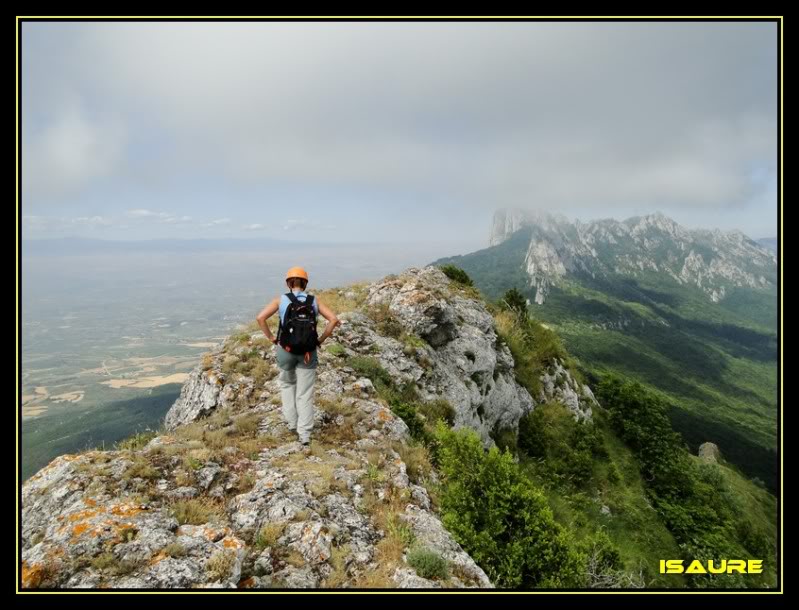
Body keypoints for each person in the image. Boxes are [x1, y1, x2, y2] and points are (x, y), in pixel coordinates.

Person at [255, 266, 339, 450]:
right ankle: (305, 434)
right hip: (308, 352)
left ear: (288, 282)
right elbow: (333, 319)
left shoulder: (281, 300)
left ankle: (292, 424)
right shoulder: (314, 301)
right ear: (305, 282)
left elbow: (260, 318)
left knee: (287, 384)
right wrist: (321, 339)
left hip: (285, 349)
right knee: (305, 394)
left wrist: (271, 338)